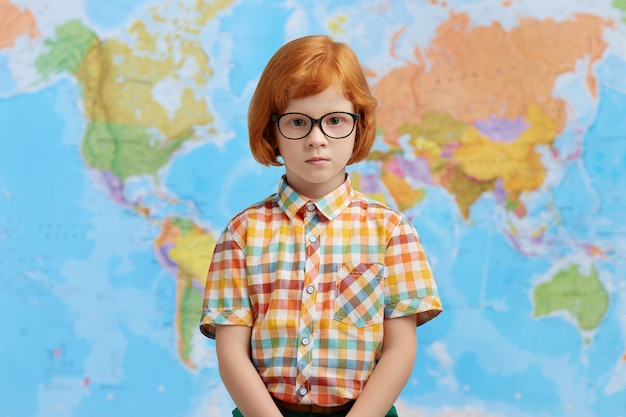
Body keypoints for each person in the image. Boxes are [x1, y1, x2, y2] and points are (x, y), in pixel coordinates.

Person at [199, 35, 442, 417]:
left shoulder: (391, 231)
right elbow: (231, 351)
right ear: (271, 132)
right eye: (297, 121)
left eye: (334, 121)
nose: (317, 139)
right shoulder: (242, 234)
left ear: (358, 128)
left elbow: (400, 347)